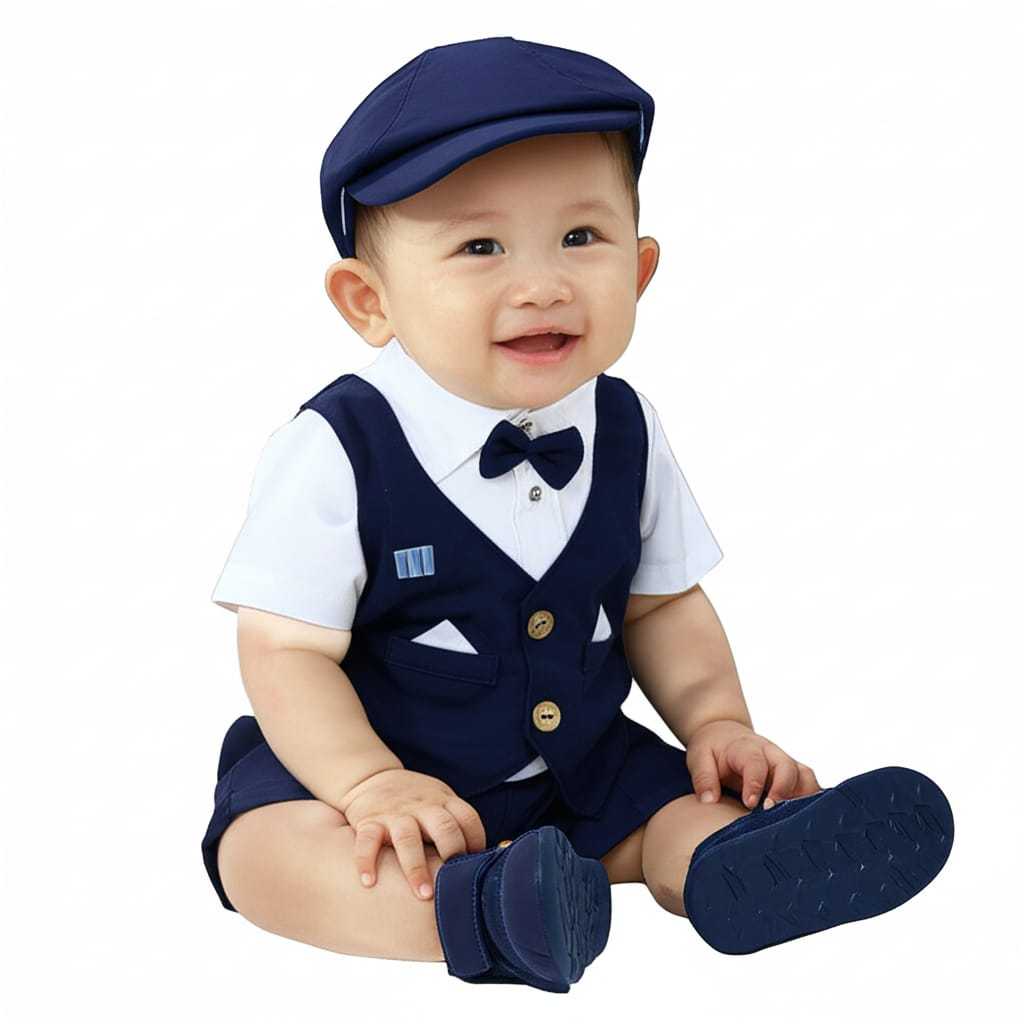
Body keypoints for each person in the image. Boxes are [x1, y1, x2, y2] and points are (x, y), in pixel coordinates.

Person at [200, 36, 954, 992]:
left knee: (679, 806)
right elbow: (285, 651)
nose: (543, 284)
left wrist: (718, 722)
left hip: (584, 769)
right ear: (368, 301)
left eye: (581, 238)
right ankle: (490, 911)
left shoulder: (625, 428)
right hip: (375, 774)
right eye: (480, 247)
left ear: (639, 270)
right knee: (267, 853)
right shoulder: (338, 448)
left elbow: (661, 605)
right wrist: (367, 782)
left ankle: (730, 868)